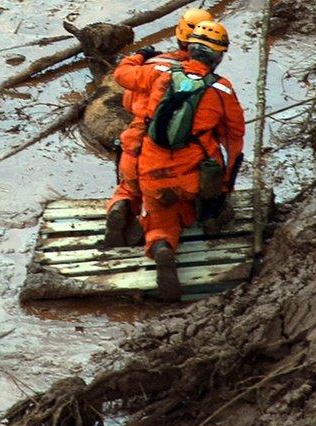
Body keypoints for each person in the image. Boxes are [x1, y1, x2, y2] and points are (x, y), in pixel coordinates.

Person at [110, 20, 245, 301]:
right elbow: (234, 140)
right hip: (193, 176)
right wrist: (224, 187)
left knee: (160, 220)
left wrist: (139, 55)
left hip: (151, 168)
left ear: (189, 47)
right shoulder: (223, 90)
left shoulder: (160, 72)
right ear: (218, 56)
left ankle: (161, 246)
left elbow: (122, 76)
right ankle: (210, 215)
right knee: (208, 167)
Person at [104, 8, 213, 248]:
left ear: (179, 35)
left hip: (133, 145)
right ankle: (162, 235)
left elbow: (125, 88)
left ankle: (121, 206)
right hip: (163, 157)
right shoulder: (202, 78)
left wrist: (140, 55)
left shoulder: (155, 65)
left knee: (128, 187)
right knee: (166, 207)